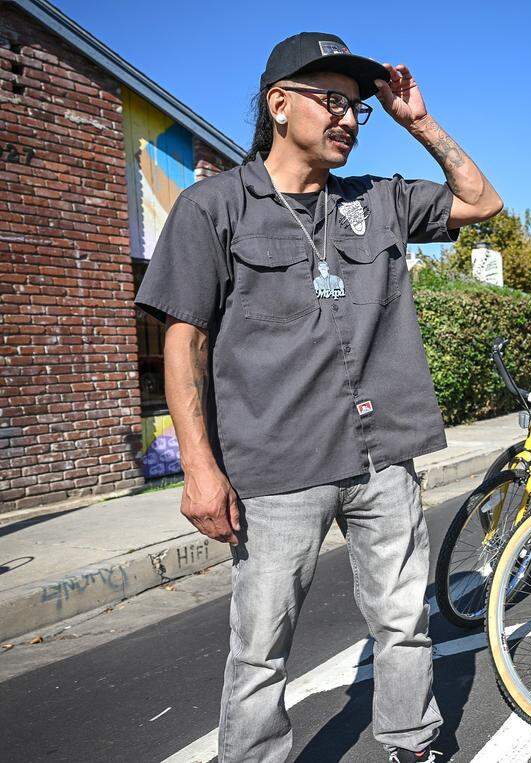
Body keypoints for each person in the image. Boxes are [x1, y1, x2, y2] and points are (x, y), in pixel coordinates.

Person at [135, 32, 501, 763]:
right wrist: (200, 470)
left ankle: (412, 742)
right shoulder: (214, 208)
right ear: (279, 104)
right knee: (261, 647)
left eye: (358, 106)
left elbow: (482, 202)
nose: (350, 118)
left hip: (382, 457)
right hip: (275, 470)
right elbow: (186, 344)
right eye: (331, 100)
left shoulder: (379, 201)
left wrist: (418, 122)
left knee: (404, 621)